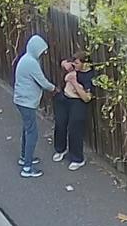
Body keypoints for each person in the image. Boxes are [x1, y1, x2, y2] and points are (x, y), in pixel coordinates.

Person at [13, 35, 57, 178]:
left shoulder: (26, 59)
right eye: (42, 51)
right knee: (32, 133)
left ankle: (24, 157)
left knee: (27, 129)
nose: (43, 54)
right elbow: (43, 82)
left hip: (22, 100)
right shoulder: (31, 63)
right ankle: (27, 167)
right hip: (26, 102)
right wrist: (54, 89)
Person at [52, 51, 96, 171]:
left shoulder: (89, 77)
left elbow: (87, 98)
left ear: (84, 64)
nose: (74, 65)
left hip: (78, 102)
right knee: (60, 123)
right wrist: (64, 64)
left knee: (74, 128)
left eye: (76, 63)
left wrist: (74, 82)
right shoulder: (73, 66)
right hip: (65, 98)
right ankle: (60, 149)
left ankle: (77, 158)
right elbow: (64, 62)